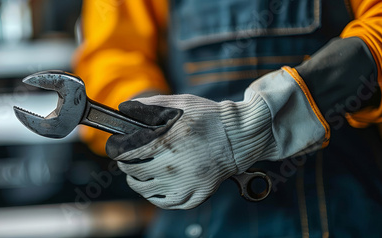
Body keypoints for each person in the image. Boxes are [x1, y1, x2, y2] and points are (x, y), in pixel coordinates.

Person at [74, 0, 382, 236]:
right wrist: (156, 127)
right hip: (191, 216)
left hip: (348, 207)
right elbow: (112, 57)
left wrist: (268, 117)